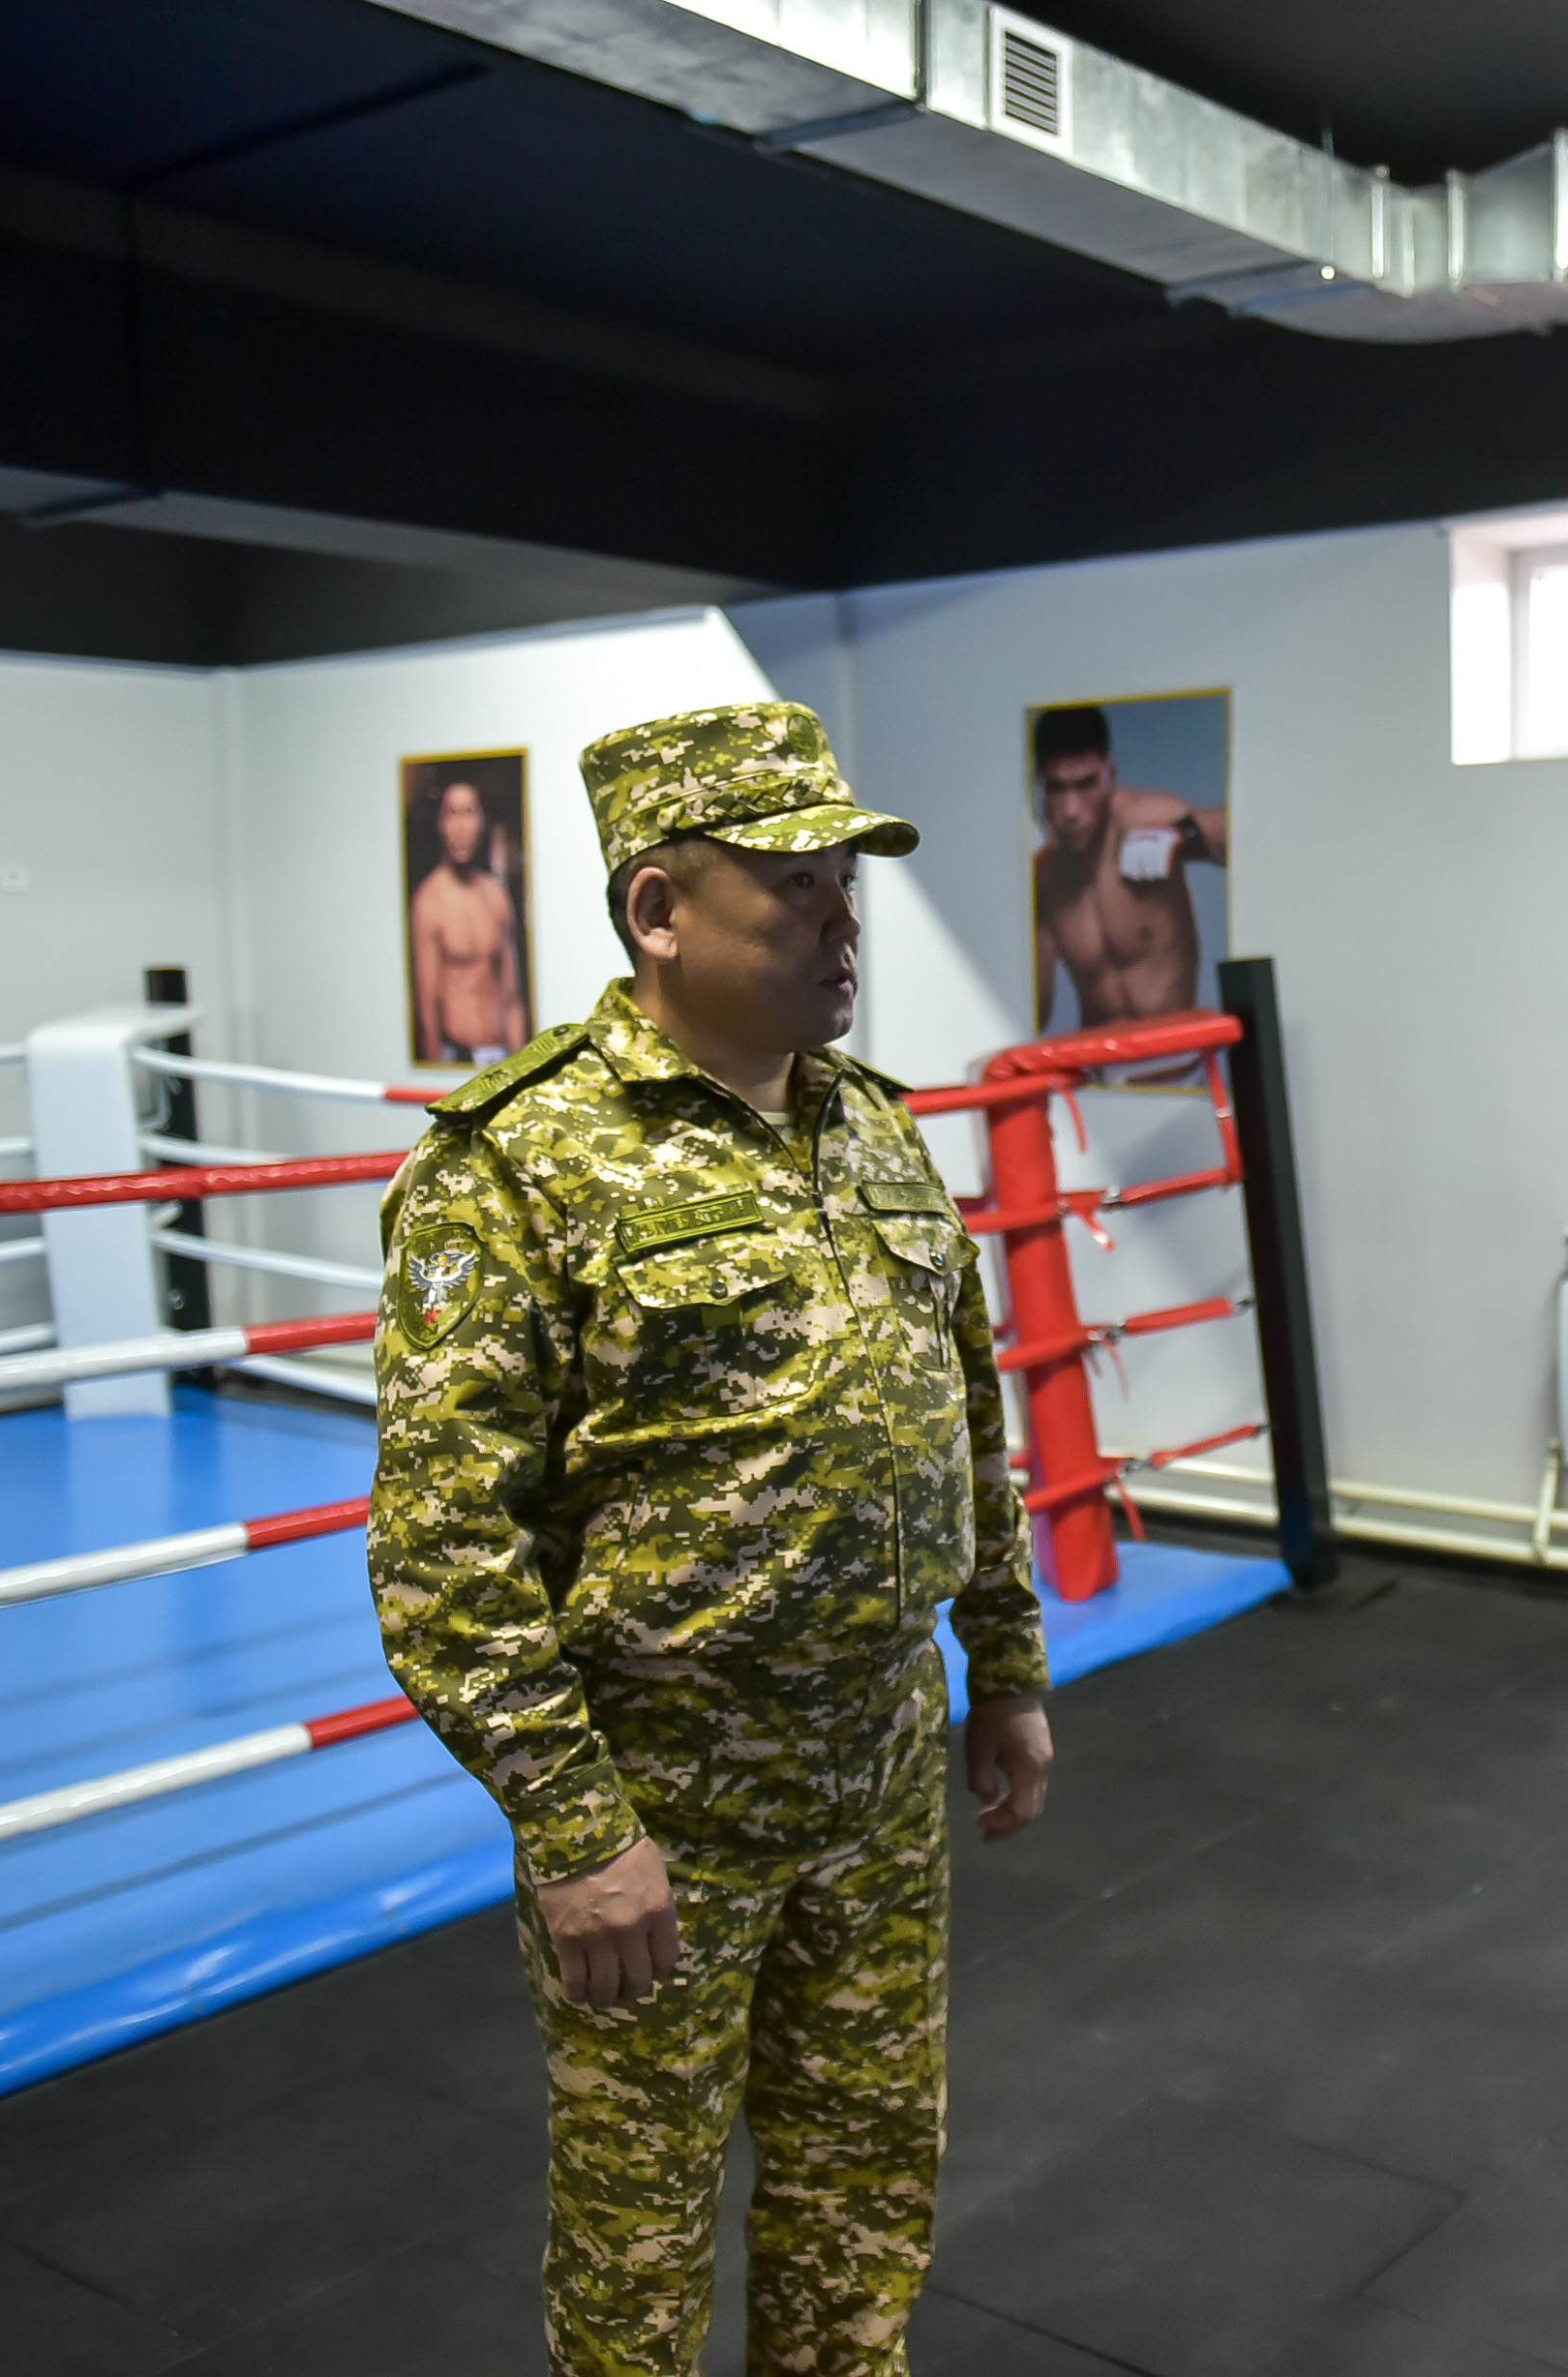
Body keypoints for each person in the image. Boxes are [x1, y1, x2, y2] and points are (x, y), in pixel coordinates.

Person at [370, 700, 1056, 2377]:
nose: (843, 924)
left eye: (847, 884)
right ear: (658, 910)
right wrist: (573, 1827)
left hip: (879, 1779)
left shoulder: (875, 1127)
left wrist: (1009, 1663)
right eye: (795, 887)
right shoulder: (517, 1167)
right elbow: (444, 1545)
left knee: (863, 2196)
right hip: (664, 1815)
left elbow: (966, 1420)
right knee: (641, 2245)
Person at [1030, 703, 1226, 1030]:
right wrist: (1013, 888)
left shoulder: (1142, 819)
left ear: (1110, 775)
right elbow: (1038, 1012)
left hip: (1173, 1056)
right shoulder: (1046, 876)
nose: (1071, 811)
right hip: (1096, 1059)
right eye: (1056, 788)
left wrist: (1182, 835)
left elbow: (1241, 830)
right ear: (1039, 785)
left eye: (1085, 784)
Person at [409, 776, 530, 1065]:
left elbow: (512, 997)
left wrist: (521, 1067)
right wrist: (436, 1073)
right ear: (440, 823)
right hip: (456, 1057)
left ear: (482, 821)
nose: (461, 827)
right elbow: (426, 1008)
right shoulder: (429, 900)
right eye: (452, 814)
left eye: (469, 813)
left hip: (500, 1055)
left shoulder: (496, 896)